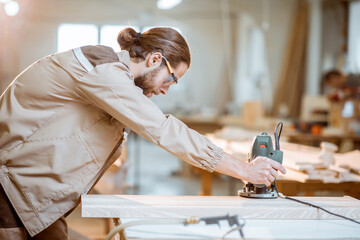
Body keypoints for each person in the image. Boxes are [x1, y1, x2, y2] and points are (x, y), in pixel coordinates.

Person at [0, 27, 286, 239]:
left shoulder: (113, 74)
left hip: (37, 195)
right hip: (12, 191)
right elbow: (162, 129)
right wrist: (245, 171)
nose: (166, 88)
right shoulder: (103, 71)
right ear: (155, 59)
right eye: (171, 79)